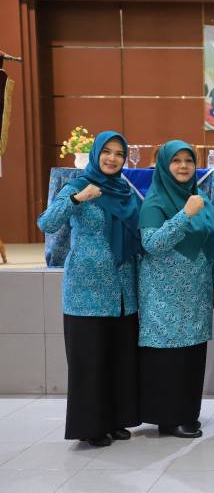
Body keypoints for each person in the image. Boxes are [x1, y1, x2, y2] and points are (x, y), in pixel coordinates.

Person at [37, 131, 141, 447]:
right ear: (96, 154)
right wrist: (76, 199)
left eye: (119, 154)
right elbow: (47, 223)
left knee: (118, 357)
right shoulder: (77, 186)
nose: (112, 158)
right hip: (87, 288)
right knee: (90, 360)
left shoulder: (125, 190)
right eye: (107, 152)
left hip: (122, 288)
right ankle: (92, 426)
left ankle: (116, 419)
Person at [137, 140, 214, 439]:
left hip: (197, 290)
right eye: (176, 161)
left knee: (192, 354)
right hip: (163, 292)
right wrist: (184, 215)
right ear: (164, 165)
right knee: (168, 355)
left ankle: (187, 413)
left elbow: (213, 243)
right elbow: (152, 244)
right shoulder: (154, 202)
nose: (184, 166)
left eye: (189, 160)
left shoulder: (201, 199)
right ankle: (168, 418)